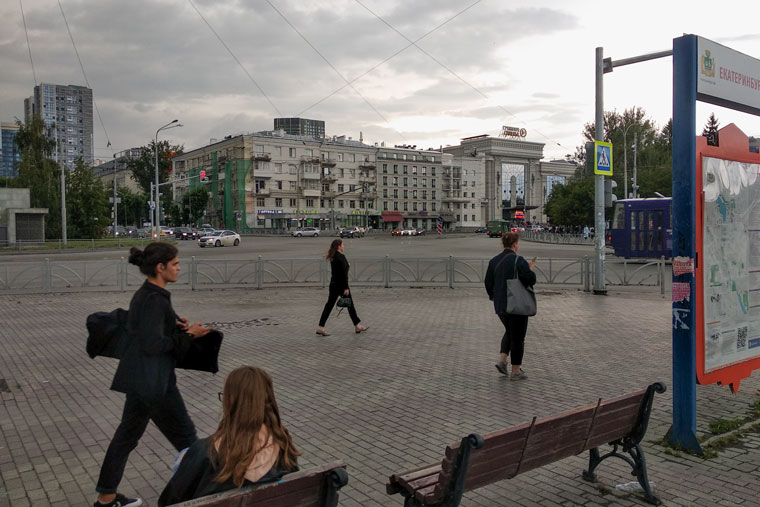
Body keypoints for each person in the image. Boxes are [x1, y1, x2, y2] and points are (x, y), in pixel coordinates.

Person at [94, 243, 211, 507]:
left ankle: (106, 498)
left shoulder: (149, 294)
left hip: (141, 380)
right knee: (188, 441)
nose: (179, 268)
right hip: (155, 383)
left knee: (126, 438)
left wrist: (177, 325)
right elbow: (152, 345)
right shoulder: (154, 298)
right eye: (176, 264)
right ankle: (206, 491)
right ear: (161, 267)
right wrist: (190, 335)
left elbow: (149, 332)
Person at [158, 366, 301, 505]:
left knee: (182, 458)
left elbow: (169, 501)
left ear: (230, 402)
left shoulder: (204, 452)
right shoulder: (284, 445)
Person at [484, 232, 536, 380]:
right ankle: (516, 371)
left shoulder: (494, 261)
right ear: (515, 244)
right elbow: (530, 279)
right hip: (516, 304)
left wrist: (494, 296)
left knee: (510, 331)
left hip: (500, 305)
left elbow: (488, 283)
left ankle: (502, 360)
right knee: (518, 337)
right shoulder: (518, 260)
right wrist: (530, 269)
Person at [316, 238, 369, 336]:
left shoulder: (333, 256)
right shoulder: (341, 257)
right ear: (339, 246)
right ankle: (357, 326)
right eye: (342, 244)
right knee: (350, 305)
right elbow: (343, 274)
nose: (344, 246)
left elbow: (338, 272)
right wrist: (346, 288)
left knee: (329, 305)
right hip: (341, 285)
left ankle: (320, 327)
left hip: (333, 284)